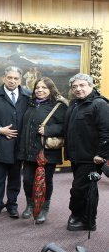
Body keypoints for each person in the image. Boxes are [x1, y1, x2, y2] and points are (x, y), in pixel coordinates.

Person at [17, 77, 68, 224]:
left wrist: (49, 129)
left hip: (47, 152)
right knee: (27, 180)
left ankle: (44, 208)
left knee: (46, 181)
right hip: (28, 150)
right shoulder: (30, 104)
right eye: (37, 88)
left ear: (51, 89)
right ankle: (30, 205)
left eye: (44, 88)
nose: (40, 90)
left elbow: (66, 126)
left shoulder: (59, 106)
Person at [64, 73, 109, 231]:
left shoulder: (100, 104)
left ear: (91, 86)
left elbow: (107, 132)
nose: (78, 89)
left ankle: (82, 218)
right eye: (75, 86)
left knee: (79, 190)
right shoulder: (74, 104)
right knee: (86, 190)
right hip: (77, 157)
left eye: (82, 85)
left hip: (91, 158)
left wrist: (102, 155)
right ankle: (85, 219)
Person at [0, 66, 30, 219]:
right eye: (9, 77)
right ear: (3, 78)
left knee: (15, 179)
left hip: (19, 146)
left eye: (16, 78)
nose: (12, 81)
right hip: (0, 143)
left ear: (20, 80)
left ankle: (12, 205)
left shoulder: (27, 95)